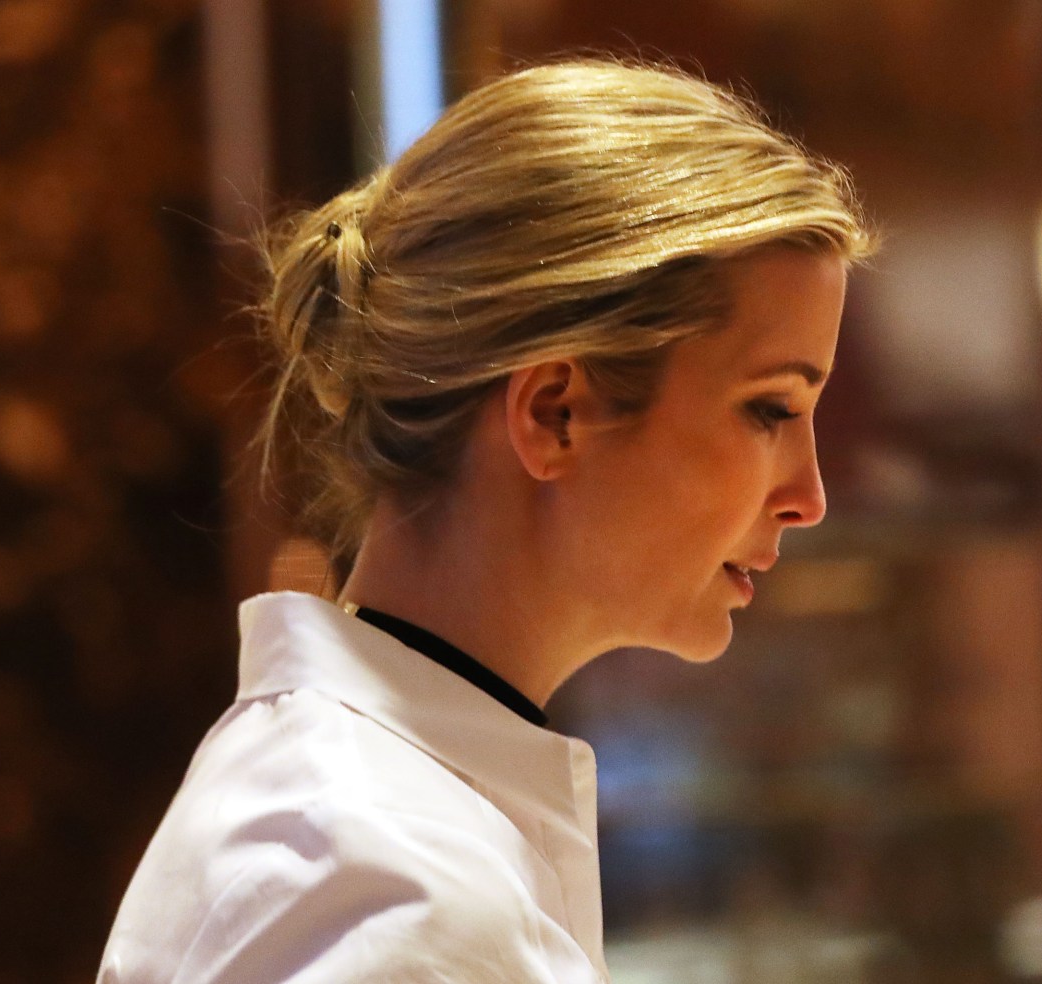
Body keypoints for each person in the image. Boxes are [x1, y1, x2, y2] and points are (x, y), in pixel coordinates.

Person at [97, 58, 871, 983]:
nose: (810, 496)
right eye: (771, 410)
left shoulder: (380, 820)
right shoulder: (393, 892)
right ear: (555, 413)